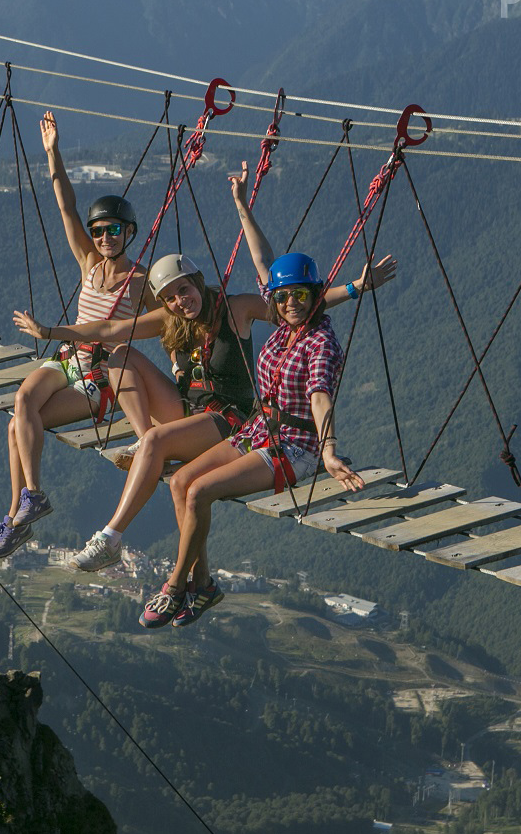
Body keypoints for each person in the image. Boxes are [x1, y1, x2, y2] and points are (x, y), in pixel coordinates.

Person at [58, 164, 394, 573]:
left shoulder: (237, 310)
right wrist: (54, 332)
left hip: (227, 417)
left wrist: (356, 288)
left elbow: (293, 300)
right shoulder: (173, 318)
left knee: (168, 457)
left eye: (184, 289)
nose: (180, 301)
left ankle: (112, 535)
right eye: (170, 297)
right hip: (188, 410)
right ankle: (150, 448)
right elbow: (112, 329)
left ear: (197, 281)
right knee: (121, 355)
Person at [139, 249, 363, 630]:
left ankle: (175, 586)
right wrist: (243, 214)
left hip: (294, 446)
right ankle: (203, 585)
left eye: (300, 295)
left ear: (316, 295)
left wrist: (329, 451)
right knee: (179, 483)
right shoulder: (286, 330)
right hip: (258, 430)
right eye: (282, 297)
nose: (290, 304)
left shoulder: (320, 342)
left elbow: (320, 397)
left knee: (198, 492)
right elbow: (263, 260)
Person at [0, 111, 162, 558]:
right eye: (98, 231)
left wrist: (179, 370)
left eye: (113, 230)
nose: (103, 237)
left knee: (18, 427)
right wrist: (53, 153)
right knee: (22, 402)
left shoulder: (140, 281)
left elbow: (167, 322)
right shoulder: (89, 262)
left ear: (129, 233)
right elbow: (65, 206)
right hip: (66, 360)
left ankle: (16, 516)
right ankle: (31, 498)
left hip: (98, 379)